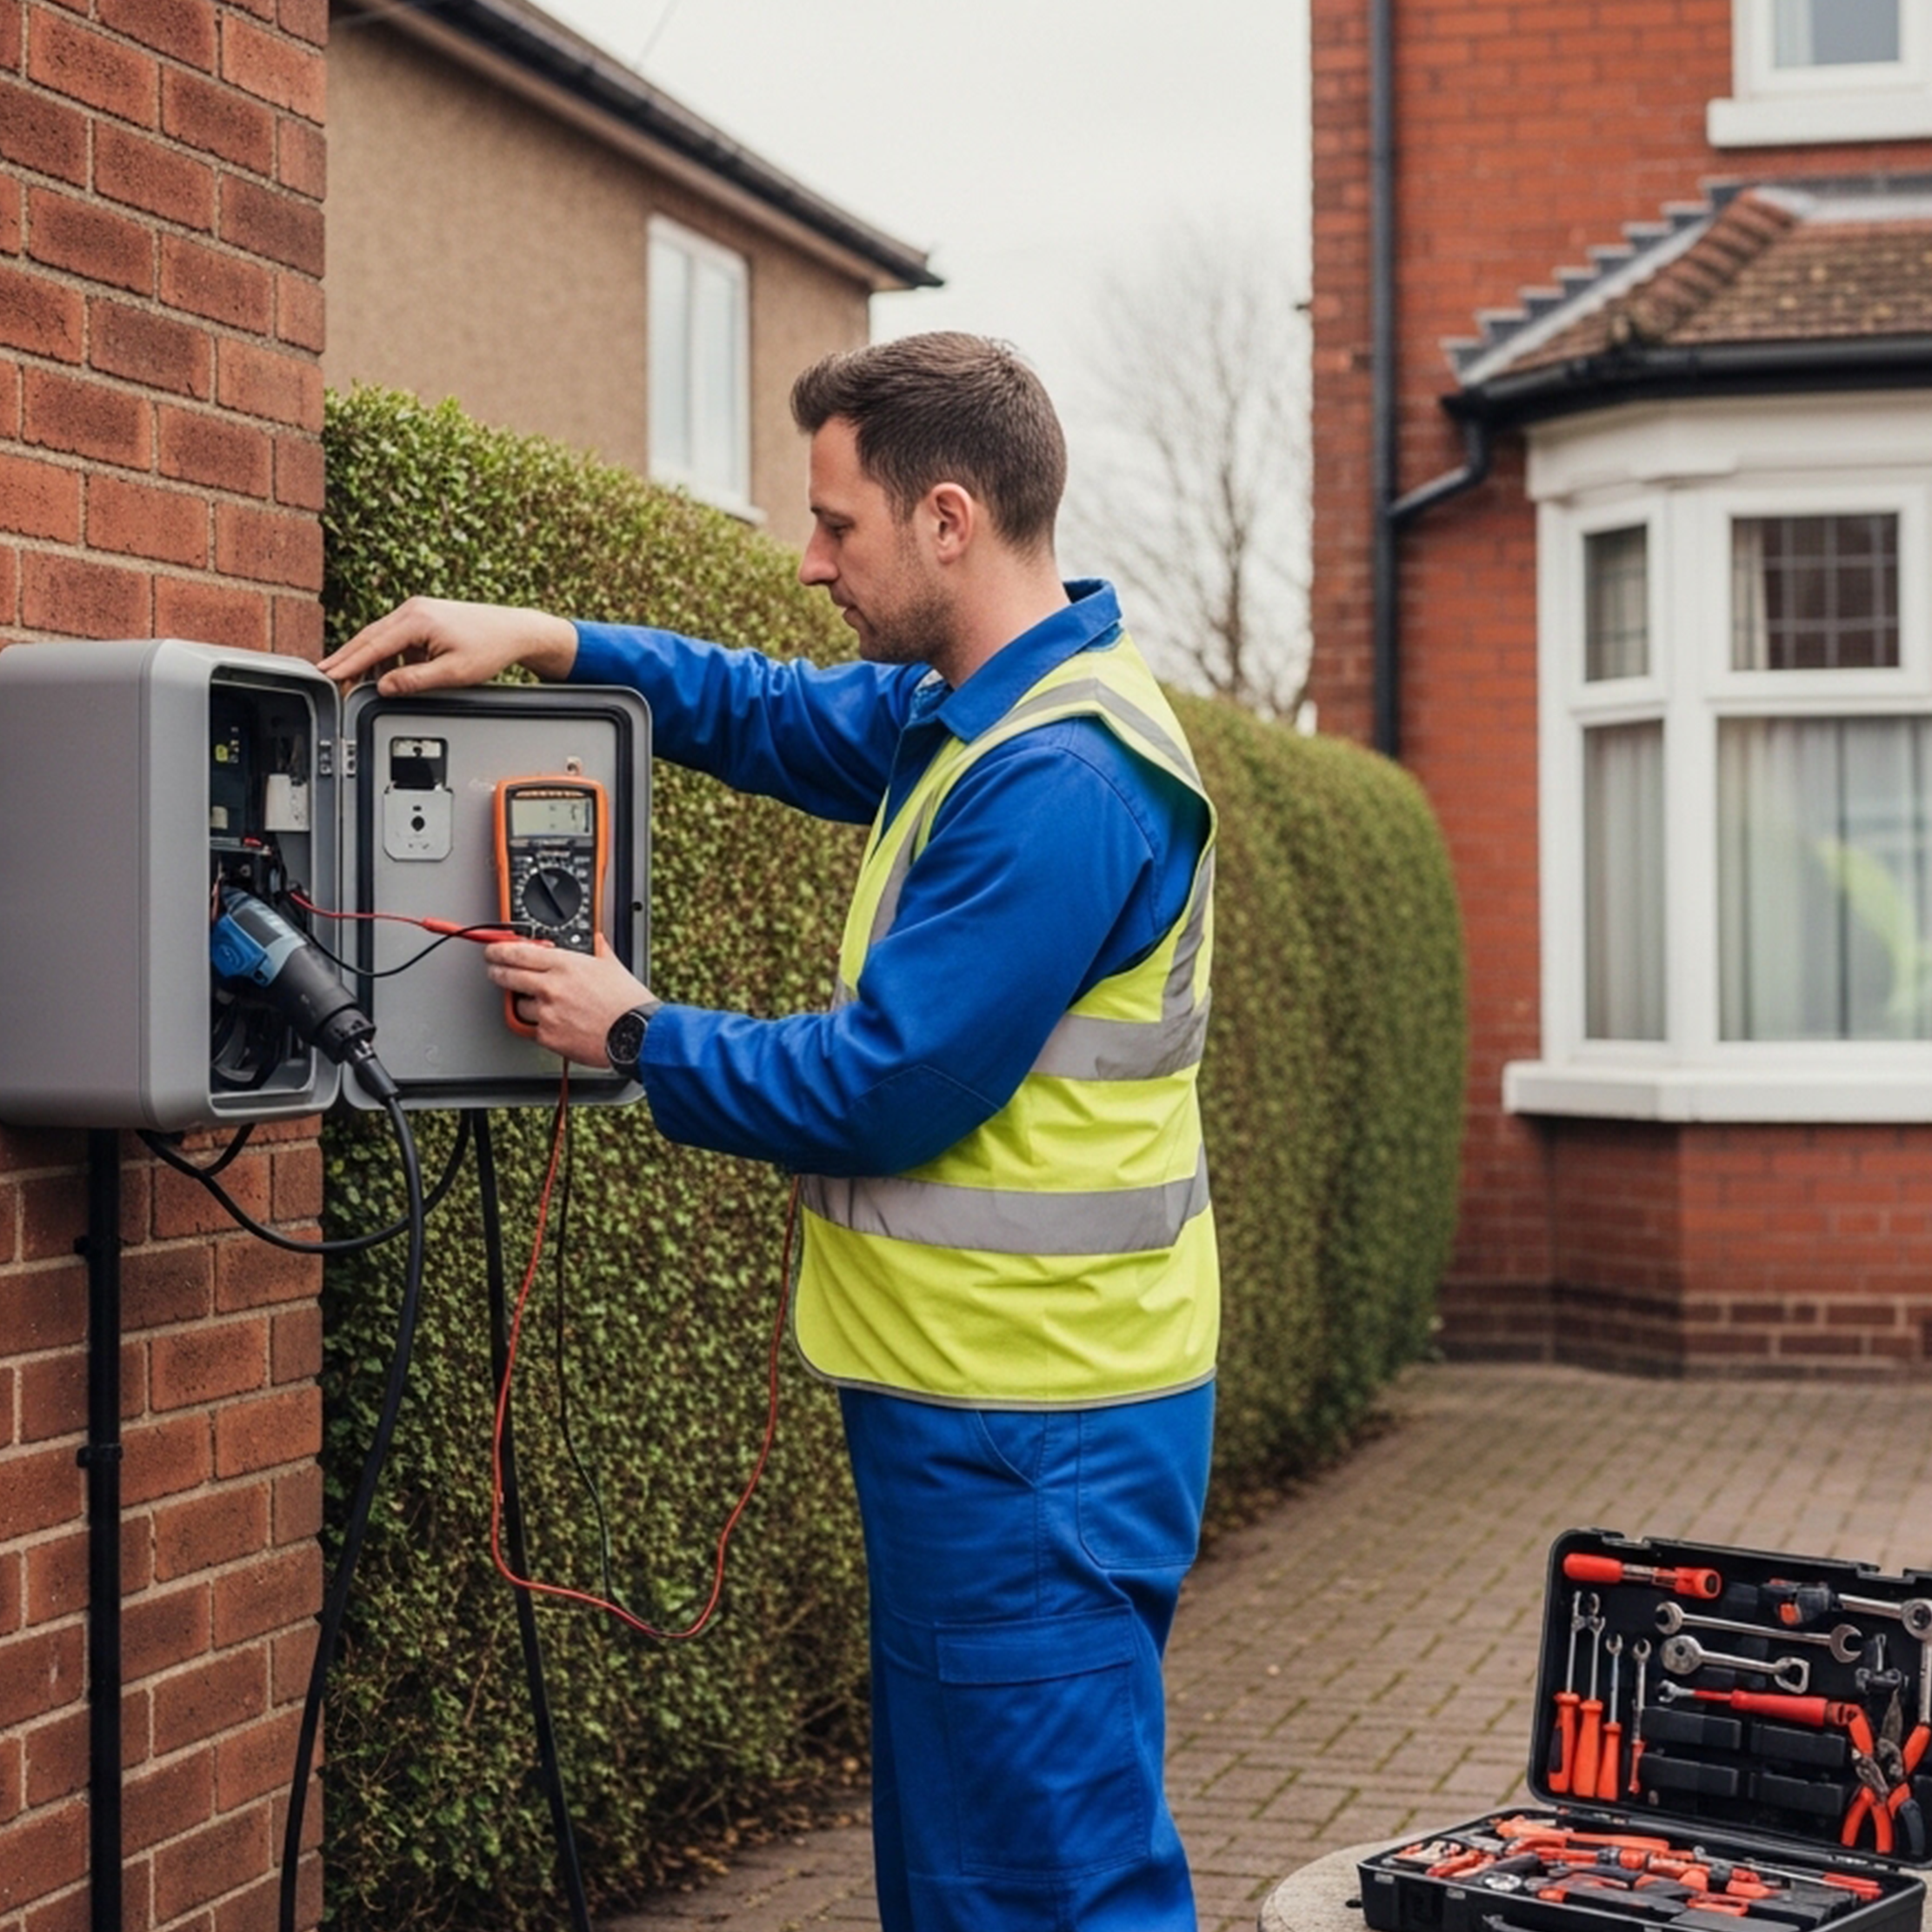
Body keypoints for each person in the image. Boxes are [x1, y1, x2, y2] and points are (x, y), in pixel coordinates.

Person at [320, 331, 1219, 1932]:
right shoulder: (972, 717)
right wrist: (542, 636)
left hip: (1033, 1428)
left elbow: (888, 1082)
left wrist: (636, 1030)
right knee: (966, 1873)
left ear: (947, 519)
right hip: (991, 1413)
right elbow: (765, 710)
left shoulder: (1059, 779)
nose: (808, 563)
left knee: (1049, 1884)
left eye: (835, 525)